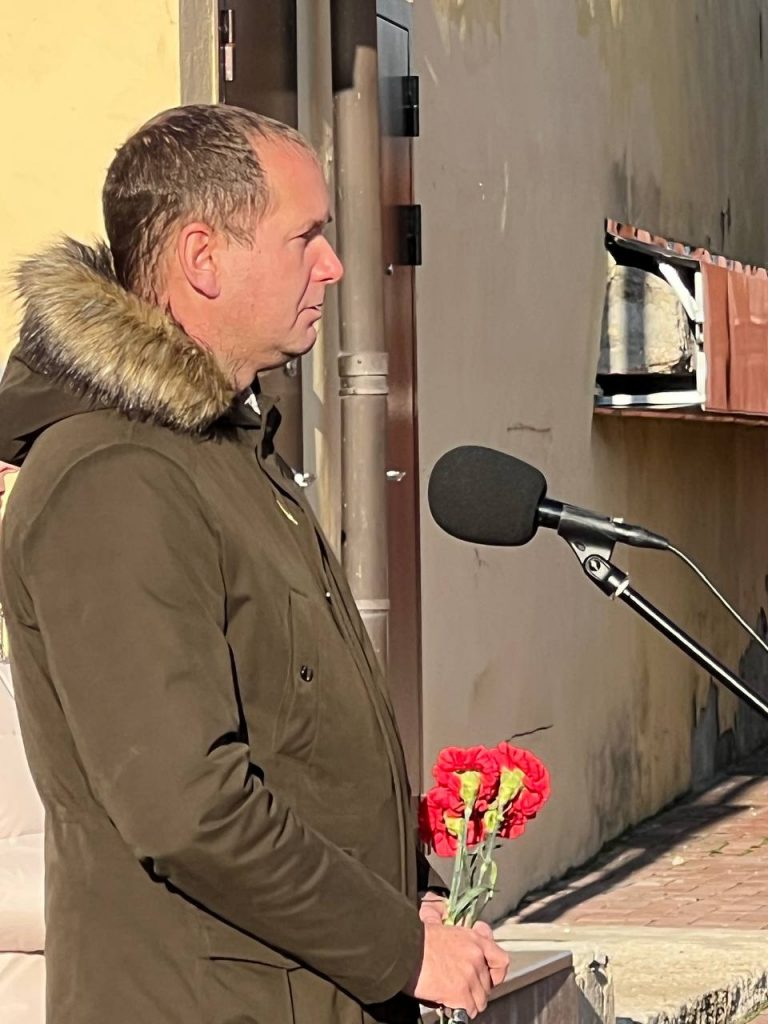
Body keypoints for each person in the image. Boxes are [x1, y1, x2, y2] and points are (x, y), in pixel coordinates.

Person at [0, 105, 509, 1024]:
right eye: (305, 236)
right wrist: (398, 948)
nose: (334, 265)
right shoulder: (114, 476)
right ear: (203, 258)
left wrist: (413, 894)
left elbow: (296, 741)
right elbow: (190, 808)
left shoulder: (221, 449)